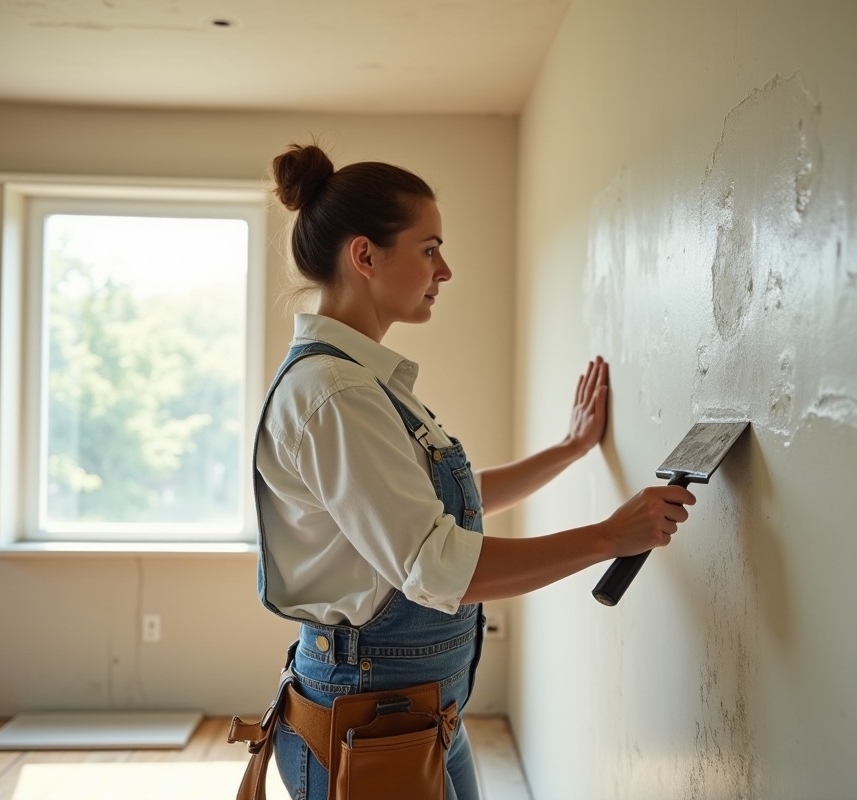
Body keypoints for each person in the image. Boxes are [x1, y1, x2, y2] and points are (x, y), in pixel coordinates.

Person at [253, 143, 695, 800]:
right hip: (370, 715)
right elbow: (435, 564)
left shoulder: (363, 383)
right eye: (429, 248)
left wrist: (570, 450)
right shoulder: (337, 396)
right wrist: (608, 537)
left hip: (416, 708)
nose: (446, 269)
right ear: (366, 256)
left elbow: (432, 512)